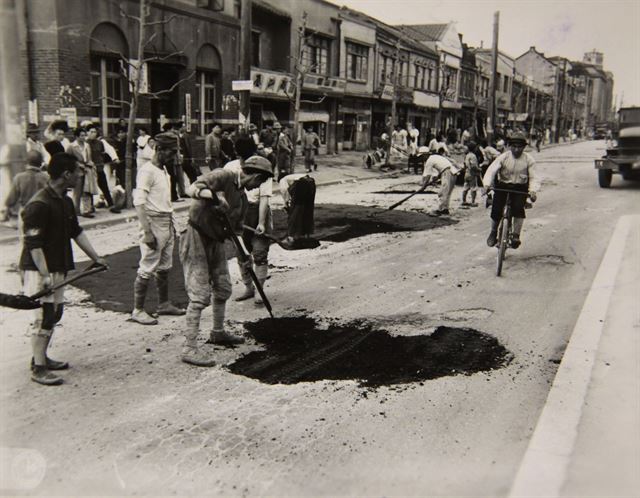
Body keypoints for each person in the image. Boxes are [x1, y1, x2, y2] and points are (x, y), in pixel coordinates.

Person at [19, 152, 107, 385]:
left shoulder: (65, 201)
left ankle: (42, 357)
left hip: (57, 266)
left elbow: (76, 232)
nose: (81, 174)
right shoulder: (38, 205)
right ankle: (38, 368)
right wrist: (46, 276)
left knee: (55, 314)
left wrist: (97, 257)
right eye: (78, 171)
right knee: (44, 317)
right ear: (66, 174)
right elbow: (34, 246)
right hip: (38, 270)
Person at [179, 155, 273, 365]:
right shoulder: (223, 176)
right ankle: (189, 347)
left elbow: (236, 233)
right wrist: (211, 196)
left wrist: (244, 256)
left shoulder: (242, 199)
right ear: (255, 176)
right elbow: (192, 188)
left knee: (223, 288)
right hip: (196, 235)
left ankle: (218, 332)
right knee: (200, 294)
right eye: (261, 182)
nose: (258, 186)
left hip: (216, 240)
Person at [130, 132, 185, 325]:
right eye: (171, 152)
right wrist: (147, 232)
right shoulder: (147, 171)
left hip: (167, 221)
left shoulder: (163, 170)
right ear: (159, 149)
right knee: (147, 267)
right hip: (153, 223)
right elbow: (139, 202)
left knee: (164, 267)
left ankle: (164, 304)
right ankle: (137, 310)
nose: (174, 156)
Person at [224, 147, 274, 304]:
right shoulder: (229, 168)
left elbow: (264, 199)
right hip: (238, 213)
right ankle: (248, 287)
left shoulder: (262, 168)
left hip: (258, 211)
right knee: (242, 254)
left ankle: (259, 289)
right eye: (241, 158)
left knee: (259, 252)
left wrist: (261, 223)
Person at [482, 131, 540, 249]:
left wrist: (533, 191)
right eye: (514, 146)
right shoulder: (503, 157)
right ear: (509, 146)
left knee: (518, 209)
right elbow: (491, 171)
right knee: (496, 210)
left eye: (520, 147)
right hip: (503, 186)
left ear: (524, 147)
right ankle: (493, 232)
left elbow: (534, 177)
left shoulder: (529, 160)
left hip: (520, 188)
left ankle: (515, 235)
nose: (517, 150)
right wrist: (487, 185)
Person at [3, 150, 48, 225]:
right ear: (41, 163)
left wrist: (6, 213)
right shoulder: (46, 178)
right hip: (43, 212)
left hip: (25, 212)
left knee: (25, 235)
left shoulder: (19, 178)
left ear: (27, 162)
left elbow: (11, 200)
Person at [68, 126, 99, 218]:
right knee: (77, 192)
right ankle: (76, 211)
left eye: (84, 135)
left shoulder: (87, 145)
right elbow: (69, 160)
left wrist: (90, 164)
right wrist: (78, 165)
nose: (83, 137)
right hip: (77, 172)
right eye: (81, 136)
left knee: (87, 190)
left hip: (87, 170)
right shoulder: (71, 146)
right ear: (76, 137)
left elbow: (89, 158)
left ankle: (87, 210)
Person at [86, 124, 117, 212]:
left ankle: (111, 205)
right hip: (90, 169)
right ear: (87, 133)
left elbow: (103, 153)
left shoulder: (100, 143)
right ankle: (90, 207)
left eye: (95, 132)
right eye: (91, 132)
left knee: (104, 187)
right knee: (90, 189)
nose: (93, 134)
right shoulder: (85, 143)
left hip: (99, 168)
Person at [421, 147, 461, 216]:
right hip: (453, 172)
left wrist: (423, 187)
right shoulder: (435, 156)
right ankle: (445, 209)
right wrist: (437, 177)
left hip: (448, 172)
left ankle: (440, 209)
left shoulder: (429, 160)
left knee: (442, 192)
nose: (421, 158)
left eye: (422, 156)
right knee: (447, 192)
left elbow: (427, 176)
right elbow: (443, 166)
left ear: (425, 155)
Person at [279, 173, 316, 245]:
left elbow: (284, 191)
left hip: (301, 184)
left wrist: (286, 204)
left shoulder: (282, 180)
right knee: (307, 209)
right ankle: (306, 235)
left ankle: (291, 237)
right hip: (311, 182)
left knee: (296, 210)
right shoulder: (292, 177)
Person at [461, 142, 481, 207]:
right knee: (473, 188)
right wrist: (479, 169)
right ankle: (473, 202)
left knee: (465, 187)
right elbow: (473, 166)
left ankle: (464, 200)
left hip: (466, 173)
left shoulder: (467, 155)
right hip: (472, 174)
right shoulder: (473, 156)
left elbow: (464, 164)